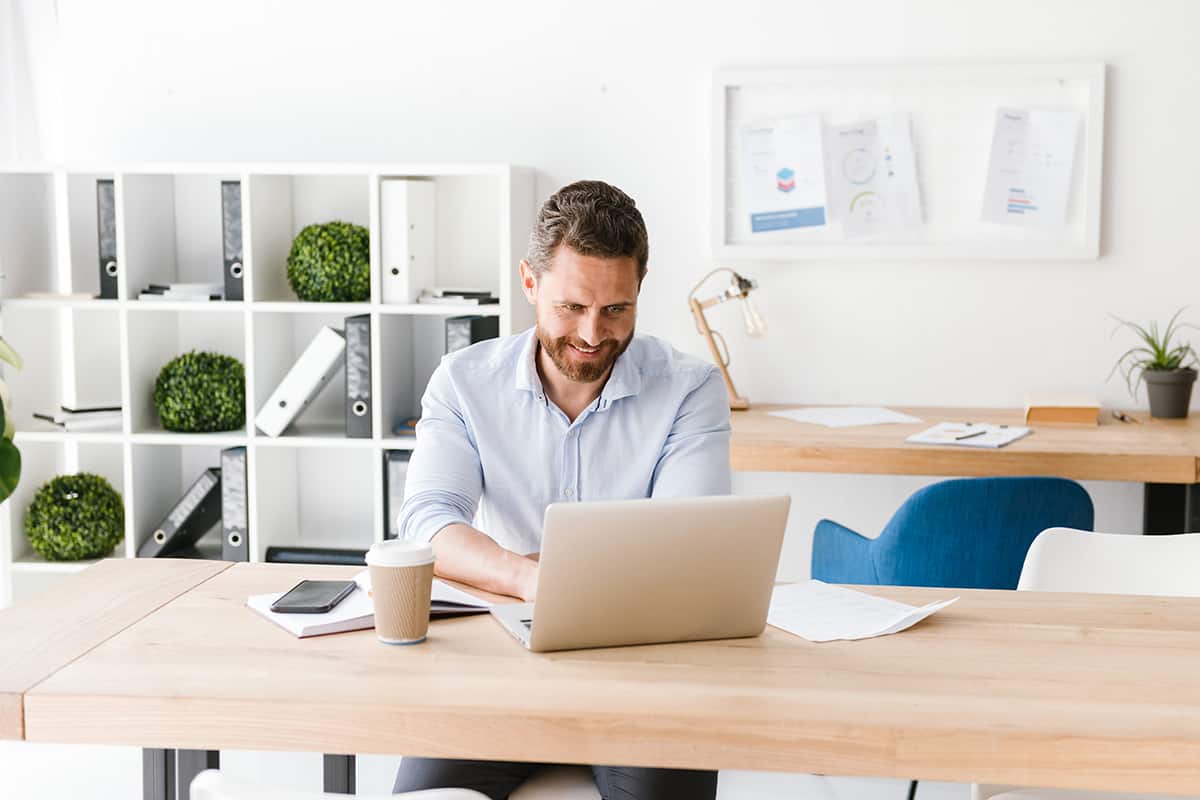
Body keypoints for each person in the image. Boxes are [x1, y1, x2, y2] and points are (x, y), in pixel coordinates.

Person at [392, 179, 730, 800]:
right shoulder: (464, 383)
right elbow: (429, 522)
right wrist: (529, 580)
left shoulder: (689, 388)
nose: (593, 334)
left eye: (616, 310)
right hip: (496, 667)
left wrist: (526, 569)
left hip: (645, 672)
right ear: (530, 283)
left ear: (638, 293)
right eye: (571, 307)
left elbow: (689, 542)